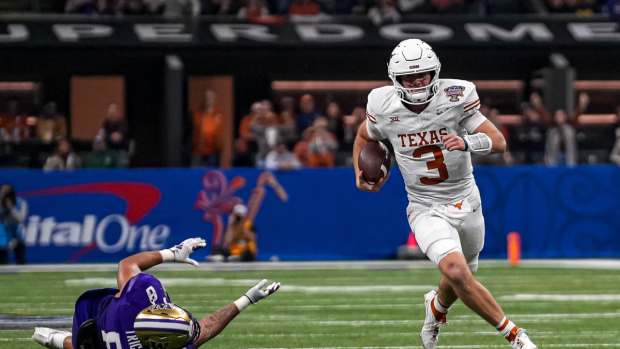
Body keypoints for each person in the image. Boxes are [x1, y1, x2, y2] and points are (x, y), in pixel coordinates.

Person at [352, 39, 537, 349]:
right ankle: (515, 336)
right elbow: (363, 136)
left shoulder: (456, 95)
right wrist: (359, 172)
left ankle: (435, 308)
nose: (416, 82)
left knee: (462, 273)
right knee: (456, 270)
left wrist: (467, 143)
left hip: (466, 199)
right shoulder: (382, 105)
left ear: (435, 72)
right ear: (395, 79)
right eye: (409, 78)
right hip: (424, 205)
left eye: (422, 75)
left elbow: (499, 142)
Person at [32, 237, 280, 349]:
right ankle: (57, 340)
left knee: (82, 342)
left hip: (98, 317)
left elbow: (126, 265)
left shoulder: (138, 296)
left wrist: (171, 254)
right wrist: (246, 300)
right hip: (95, 314)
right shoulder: (140, 299)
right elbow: (206, 329)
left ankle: (52, 339)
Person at [0, 184, 28, 264]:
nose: (5, 193)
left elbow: (21, 218)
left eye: (7, 191)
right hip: (2, 235)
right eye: (3, 191)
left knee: (21, 260)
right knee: (2, 261)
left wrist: (11, 207)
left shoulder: (21, 202)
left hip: (16, 234)